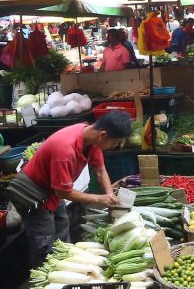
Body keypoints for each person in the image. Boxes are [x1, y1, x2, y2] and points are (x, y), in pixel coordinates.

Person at [16, 113, 132, 266]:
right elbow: (63, 192)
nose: (114, 147)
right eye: (115, 143)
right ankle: (44, 275)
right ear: (103, 135)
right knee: (44, 244)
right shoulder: (65, 149)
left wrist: (109, 193)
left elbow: (99, 169)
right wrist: (99, 198)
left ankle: (65, 267)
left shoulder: (92, 139)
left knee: (62, 232)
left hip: (53, 188)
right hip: (33, 193)